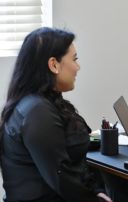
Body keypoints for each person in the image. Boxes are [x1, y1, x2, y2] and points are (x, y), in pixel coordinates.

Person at [0, 27, 112, 202]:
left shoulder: (45, 103)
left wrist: (96, 189)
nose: (78, 67)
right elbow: (62, 178)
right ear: (54, 64)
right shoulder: (37, 112)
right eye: (74, 60)